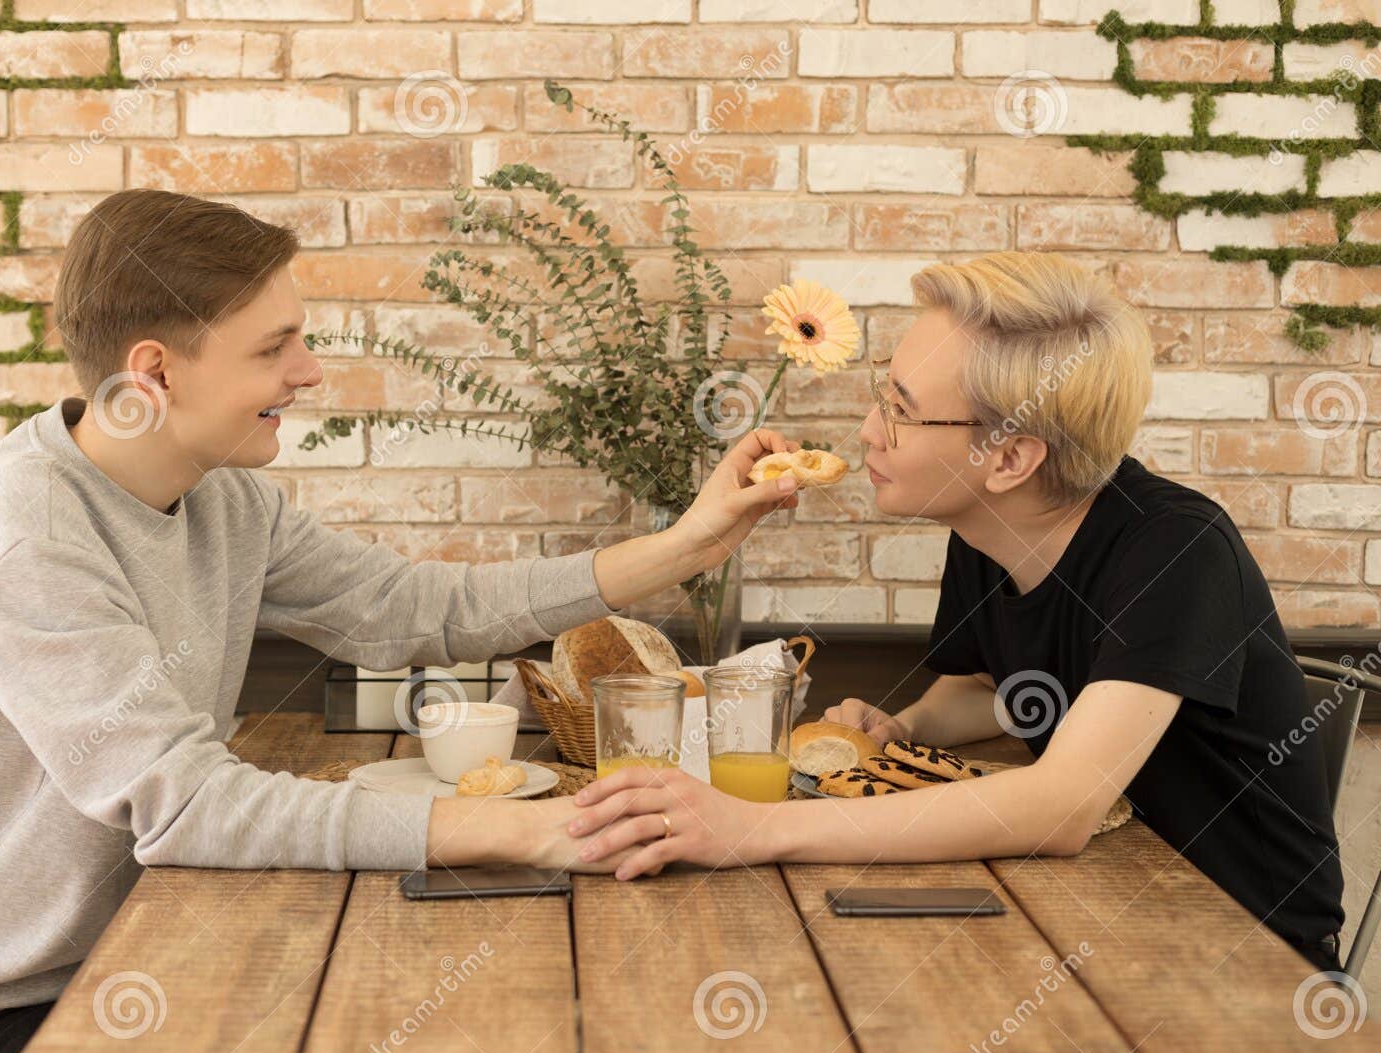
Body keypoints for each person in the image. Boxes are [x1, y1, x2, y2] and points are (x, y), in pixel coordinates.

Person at [0, 188, 802, 1053]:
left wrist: (687, 543)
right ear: (155, 372)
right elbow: (190, 805)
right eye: (273, 349)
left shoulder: (222, 497)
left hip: (151, 944)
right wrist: (527, 832)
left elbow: (422, 609)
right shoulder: (29, 539)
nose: (307, 372)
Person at [567, 251, 1347, 974]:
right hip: (1093, 903)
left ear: (1010, 457)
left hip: (1237, 944)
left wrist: (755, 830)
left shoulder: (1178, 550)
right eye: (883, 396)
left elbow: (1062, 804)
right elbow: (993, 687)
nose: (870, 431)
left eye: (901, 411)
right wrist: (906, 726)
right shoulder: (987, 523)